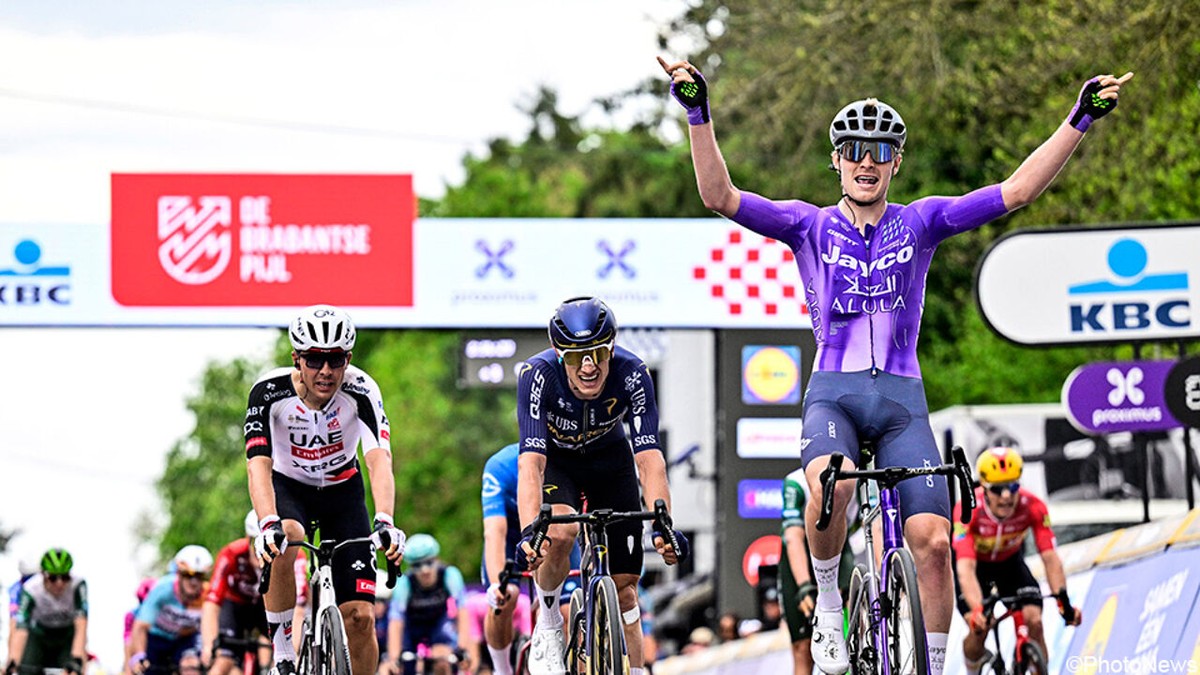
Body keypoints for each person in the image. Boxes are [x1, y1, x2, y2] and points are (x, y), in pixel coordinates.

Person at [660, 54, 1131, 675]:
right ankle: (831, 602)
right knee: (834, 485)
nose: (865, 160)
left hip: (904, 401)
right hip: (835, 395)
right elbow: (719, 196)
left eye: (879, 150)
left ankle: (931, 665)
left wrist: (1081, 118)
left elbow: (1016, 192)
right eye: (853, 148)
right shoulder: (808, 225)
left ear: (895, 161)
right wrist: (698, 110)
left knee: (934, 544)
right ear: (836, 159)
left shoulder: (922, 221)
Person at [516, 296, 689, 675]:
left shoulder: (633, 372)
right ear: (560, 356)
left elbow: (649, 457)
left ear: (611, 349)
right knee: (559, 533)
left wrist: (663, 524)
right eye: (577, 357)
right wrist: (532, 531)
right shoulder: (537, 374)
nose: (590, 366)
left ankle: (637, 667)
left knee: (626, 588)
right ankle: (548, 623)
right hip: (557, 463)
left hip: (610, 461)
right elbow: (531, 463)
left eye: (598, 352)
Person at [244, 304, 406, 675]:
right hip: (289, 488)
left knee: (361, 618)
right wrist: (268, 521)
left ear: (347, 358)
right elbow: (258, 466)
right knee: (285, 536)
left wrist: (385, 520)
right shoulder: (267, 393)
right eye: (315, 360)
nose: (326, 372)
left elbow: (379, 459)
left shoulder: (362, 390)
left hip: (342, 493)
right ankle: (283, 653)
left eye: (336, 360)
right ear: (296, 359)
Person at [953, 447, 1082, 675]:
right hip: (976, 571)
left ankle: (1036, 666)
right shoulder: (967, 510)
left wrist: (1064, 601)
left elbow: (1050, 558)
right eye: (998, 489)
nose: (1006, 496)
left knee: (1035, 622)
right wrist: (976, 611)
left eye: (1012, 486)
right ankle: (972, 669)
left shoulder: (1032, 506)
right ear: (983, 488)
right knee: (981, 628)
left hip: (1010, 565)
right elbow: (965, 567)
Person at [479, 442, 576, 675]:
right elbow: (495, 532)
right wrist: (496, 585)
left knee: (568, 606)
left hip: (554, 532)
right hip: (512, 533)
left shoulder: (564, 460)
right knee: (506, 598)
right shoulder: (501, 466)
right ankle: (502, 669)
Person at [201, 510, 309, 675]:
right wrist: (209, 645)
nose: (262, 552)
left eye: (269, 547)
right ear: (248, 539)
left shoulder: (296, 557)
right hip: (237, 608)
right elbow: (212, 603)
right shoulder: (232, 553)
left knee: (283, 658)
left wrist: (292, 649)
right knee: (223, 661)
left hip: (266, 607)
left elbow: (299, 608)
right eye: (256, 545)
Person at [779, 467, 856, 675]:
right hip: (800, 557)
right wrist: (804, 586)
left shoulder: (861, 480)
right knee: (802, 648)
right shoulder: (796, 482)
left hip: (840, 548)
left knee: (857, 624)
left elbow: (876, 530)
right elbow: (793, 538)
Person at [381, 534, 466, 675]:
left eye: (429, 563)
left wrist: (463, 649)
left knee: (442, 660)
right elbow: (396, 622)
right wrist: (394, 658)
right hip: (411, 626)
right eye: (417, 565)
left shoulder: (450, 575)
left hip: (438, 624)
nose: (424, 570)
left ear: (437, 560)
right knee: (403, 665)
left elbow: (462, 612)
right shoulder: (404, 583)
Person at [128, 545, 212, 675]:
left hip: (184, 639)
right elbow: (140, 627)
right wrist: (139, 655)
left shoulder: (208, 595)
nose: (193, 582)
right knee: (142, 668)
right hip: (155, 638)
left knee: (191, 666)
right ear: (179, 574)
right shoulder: (162, 590)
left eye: (199, 576)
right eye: (188, 575)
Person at [7, 548, 89, 675]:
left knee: (74, 669)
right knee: (24, 668)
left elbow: (81, 624)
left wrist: (77, 659)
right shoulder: (30, 589)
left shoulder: (78, 585)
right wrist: (13, 661)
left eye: (65, 577)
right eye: (53, 578)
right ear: (43, 575)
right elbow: (21, 629)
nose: (59, 583)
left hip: (66, 636)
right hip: (39, 635)